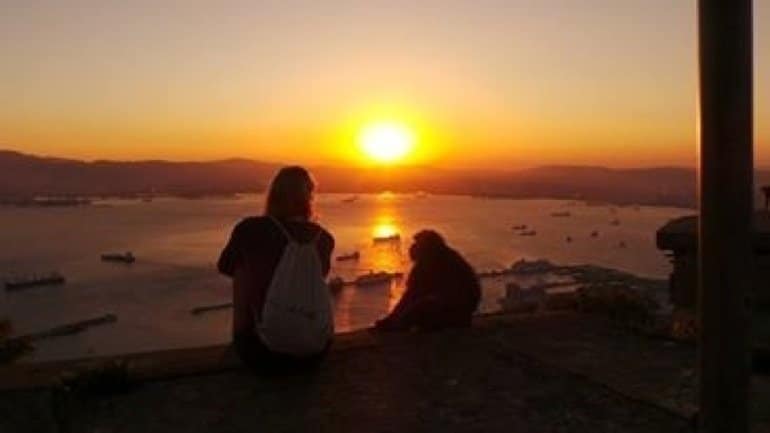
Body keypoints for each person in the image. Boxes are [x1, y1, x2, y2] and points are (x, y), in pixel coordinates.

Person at [218, 166, 335, 372]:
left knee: (242, 270)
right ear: (310, 197)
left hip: (262, 355)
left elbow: (228, 269)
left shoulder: (249, 229)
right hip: (315, 352)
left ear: (274, 194)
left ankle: (245, 335)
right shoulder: (324, 239)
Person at [374, 230, 481, 331]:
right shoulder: (449, 257)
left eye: (417, 244)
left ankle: (398, 327)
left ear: (427, 247)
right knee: (419, 308)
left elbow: (410, 295)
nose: (412, 247)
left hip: (453, 310)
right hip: (463, 312)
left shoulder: (430, 263)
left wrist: (391, 320)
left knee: (418, 310)